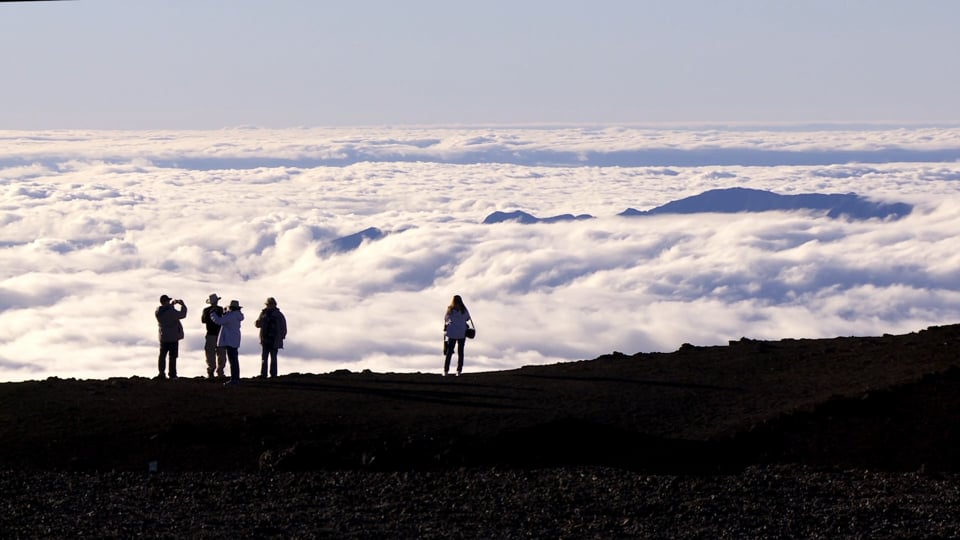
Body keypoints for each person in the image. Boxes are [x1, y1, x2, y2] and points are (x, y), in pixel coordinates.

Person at [209, 299, 244, 386]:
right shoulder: (237, 316)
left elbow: (219, 321)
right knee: (234, 359)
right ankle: (236, 378)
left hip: (229, 340)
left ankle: (234, 379)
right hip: (234, 339)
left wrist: (212, 314)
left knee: (233, 360)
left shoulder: (232, 315)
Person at [155, 295, 187, 380]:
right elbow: (182, 314)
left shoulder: (158, 311)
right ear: (166, 302)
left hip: (163, 337)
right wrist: (183, 305)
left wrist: (171, 305)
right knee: (172, 356)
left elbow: (166, 311)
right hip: (173, 337)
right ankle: (172, 375)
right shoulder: (171, 311)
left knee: (162, 356)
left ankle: (161, 373)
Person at [255, 297, 287, 379]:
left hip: (273, 340)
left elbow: (283, 327)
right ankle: (265, 374)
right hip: (266, 339)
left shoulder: (277, 315)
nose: (269, 306)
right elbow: (258, 324)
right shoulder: (265, 313)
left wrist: (281, 337)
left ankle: (272, 374)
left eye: (270, 304)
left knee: (272, 358)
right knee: (265, 358)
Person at [443, 294, 474, 377]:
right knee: (460, 352)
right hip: (462, 333)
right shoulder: (464, 310)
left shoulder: (450, 310)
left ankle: (446, 371)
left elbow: (446, 319)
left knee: (449, 352)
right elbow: (468, 318)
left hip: (452, 333)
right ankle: (459, 371)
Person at [200, 293, 227, 379]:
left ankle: (211, 371)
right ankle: (220, 372)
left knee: (210, 354)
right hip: (219, 334)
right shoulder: (220, 309)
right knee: (221, 354)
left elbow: (203, 320)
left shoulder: (206, 310)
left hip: (211, 334)